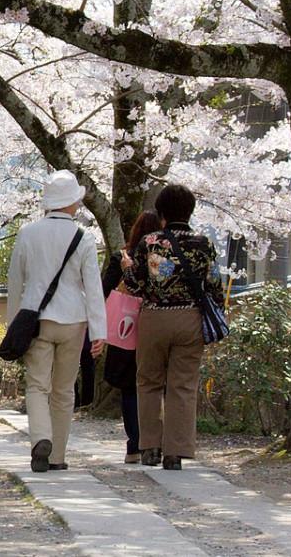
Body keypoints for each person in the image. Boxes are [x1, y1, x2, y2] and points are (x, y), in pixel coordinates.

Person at [6, 170, 106, 473]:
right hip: (74, 322)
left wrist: (14, 325)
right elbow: (93, 286)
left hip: (37, 320)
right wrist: (99, 331)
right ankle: (57, 455)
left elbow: (15, 282)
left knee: (37, 386)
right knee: (64, 390)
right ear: (72, 202)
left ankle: (40, 439)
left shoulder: (27, 233)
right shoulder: (84, 237)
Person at [123, 185, 221, 471]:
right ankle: (175, 452)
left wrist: (128, 267)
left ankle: (150, 447)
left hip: (154, 318)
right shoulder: (203, 242)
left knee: (149, 381)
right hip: (189, 318)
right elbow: (214, 285)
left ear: (162, 212)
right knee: (182, 385)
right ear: (190, 211)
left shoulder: (150, 241)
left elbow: (135, 285)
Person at [103, 210, 161, 464]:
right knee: (156, 385)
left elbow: (103, 290)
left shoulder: (121, 257)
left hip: (125, 327)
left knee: (129, 387)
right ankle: (155, 444)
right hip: (153, 324)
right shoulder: (160, 259)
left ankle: (134, 445)